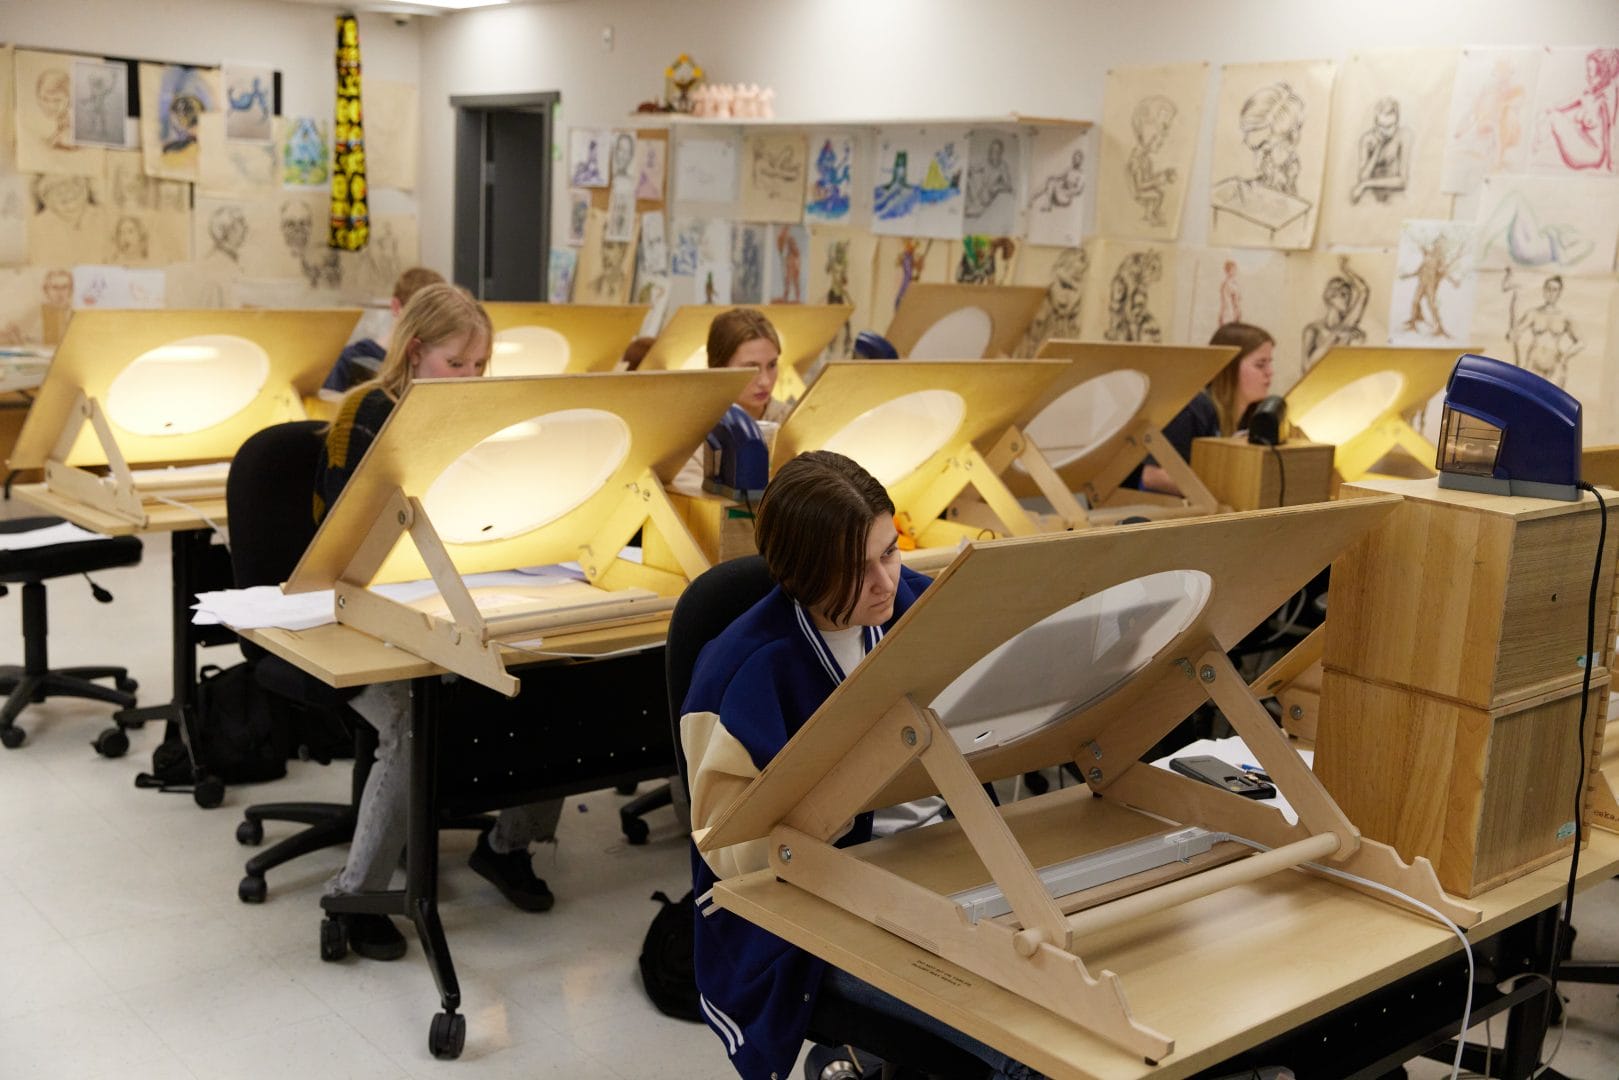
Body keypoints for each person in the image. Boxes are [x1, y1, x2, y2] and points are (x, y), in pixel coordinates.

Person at [682, 451, 1042, 1080]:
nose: (885, 584)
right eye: (855, 570)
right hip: (813, 912)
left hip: (942, 862)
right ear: (797, 575)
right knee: (1025, 1043)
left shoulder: (921, 610)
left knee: (1079, 991)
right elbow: (728, 854)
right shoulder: (740, 671)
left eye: (890, 552)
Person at [315, 283, 563, 960]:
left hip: (452, 596)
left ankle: (506, 846)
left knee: (551, 683)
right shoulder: (365, 412)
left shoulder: (478, 416)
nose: (472, 379)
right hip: (354, 614)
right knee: (408, 721)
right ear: (416, 352)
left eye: (481, 366)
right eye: (459, 364)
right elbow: (343, 549)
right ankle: (356, 895)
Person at [1136, 321, 1274, 496]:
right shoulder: (1194, 408)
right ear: (1229, 367)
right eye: (1261, 365)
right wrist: (1225, 489)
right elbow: (1152, 475)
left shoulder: (1255, 415)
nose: (1270, 372)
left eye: (1270, 363)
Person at [672, 308, 791, 495]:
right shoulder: (691, 435)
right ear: (719, 368)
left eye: (772, 365)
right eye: (751, 368)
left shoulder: (792, 419)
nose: (765, 381)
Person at [322, 267, 445, 392]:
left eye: (438, 318)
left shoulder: (433, 366)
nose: (429, 325)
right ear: (396, 307)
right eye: (419, 314)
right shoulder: (350, 360)